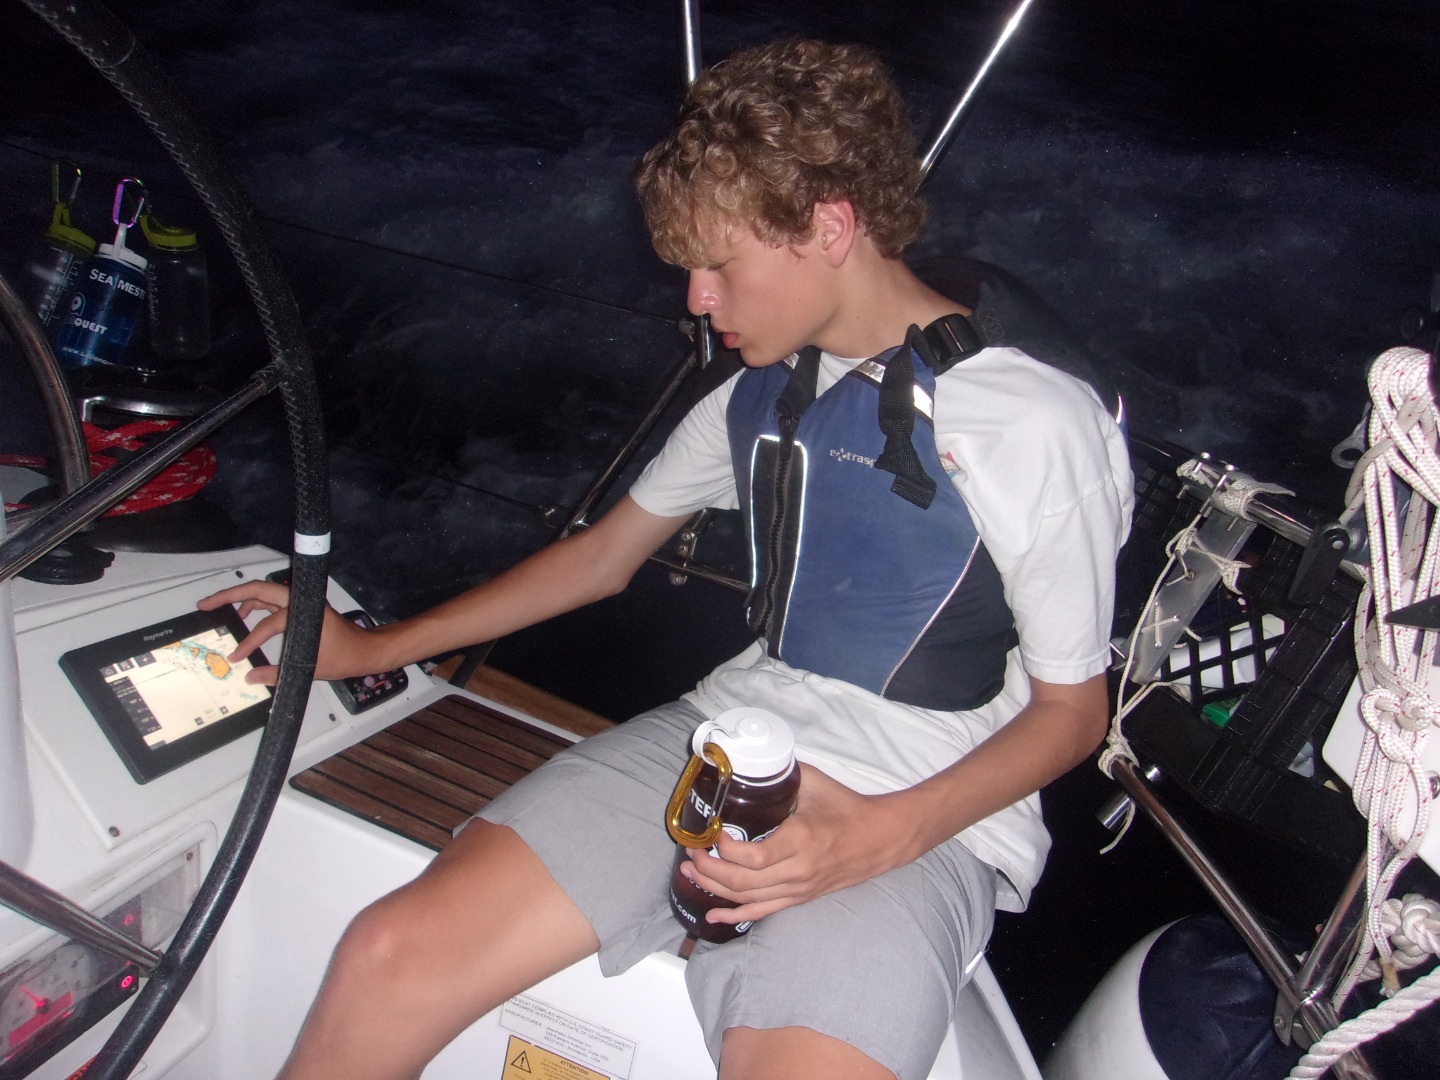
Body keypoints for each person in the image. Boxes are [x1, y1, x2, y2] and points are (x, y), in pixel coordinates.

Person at [203, 37, 1132, 1080]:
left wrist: (877, 836)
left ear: (830, 228)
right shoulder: (757, 397)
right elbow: (601, 557)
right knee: (388, 955)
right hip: (726, 744)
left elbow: (1073, 714)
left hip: (926, 802)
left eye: (719, 266)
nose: (695, 299)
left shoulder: (1029, 422)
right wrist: (372, 645)